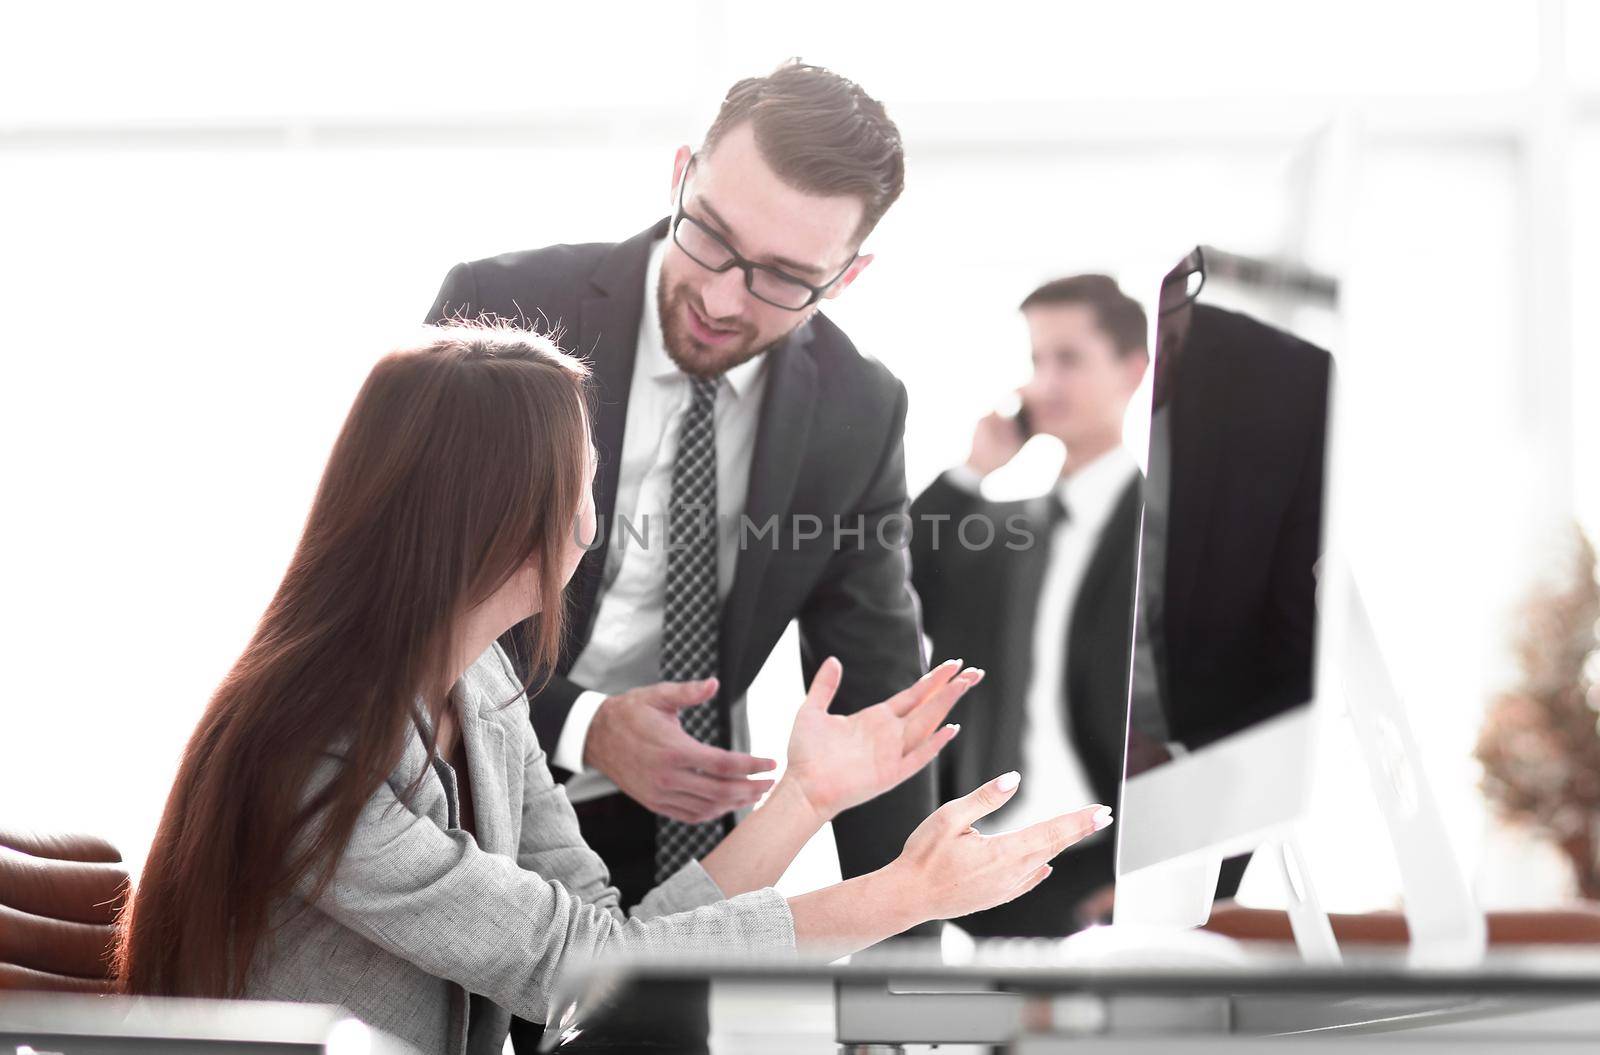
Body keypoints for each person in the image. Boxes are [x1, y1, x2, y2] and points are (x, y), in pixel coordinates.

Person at [114, 327, 1111, 1055]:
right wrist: (901, 894)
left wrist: (801, 799)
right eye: (587, 482)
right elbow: (584, 970)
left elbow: (609, 928)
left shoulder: (477, 677)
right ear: (505, 512)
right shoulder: (314, 751)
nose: (599, 522)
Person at [424, 63, 928, 930]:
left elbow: (874, 680)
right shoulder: (499, 311)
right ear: (680, 175)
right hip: (459, 781)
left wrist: (910, 953)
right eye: (710, 236)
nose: (723, 297)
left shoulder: (860, 409)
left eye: (783, 277)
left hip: (675, 826)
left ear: (847, 275)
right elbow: (400, 585)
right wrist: (583, 724)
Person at [909, 275, 1147, 937]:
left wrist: (1156, 883)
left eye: (1069, 359)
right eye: (1037, 361)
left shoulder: (1169, 534)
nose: (1046, 384)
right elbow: (890, 579)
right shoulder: (1001, 531)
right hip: (987, 867)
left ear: (1134, 370)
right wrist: (972, 470)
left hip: (1104, 869)